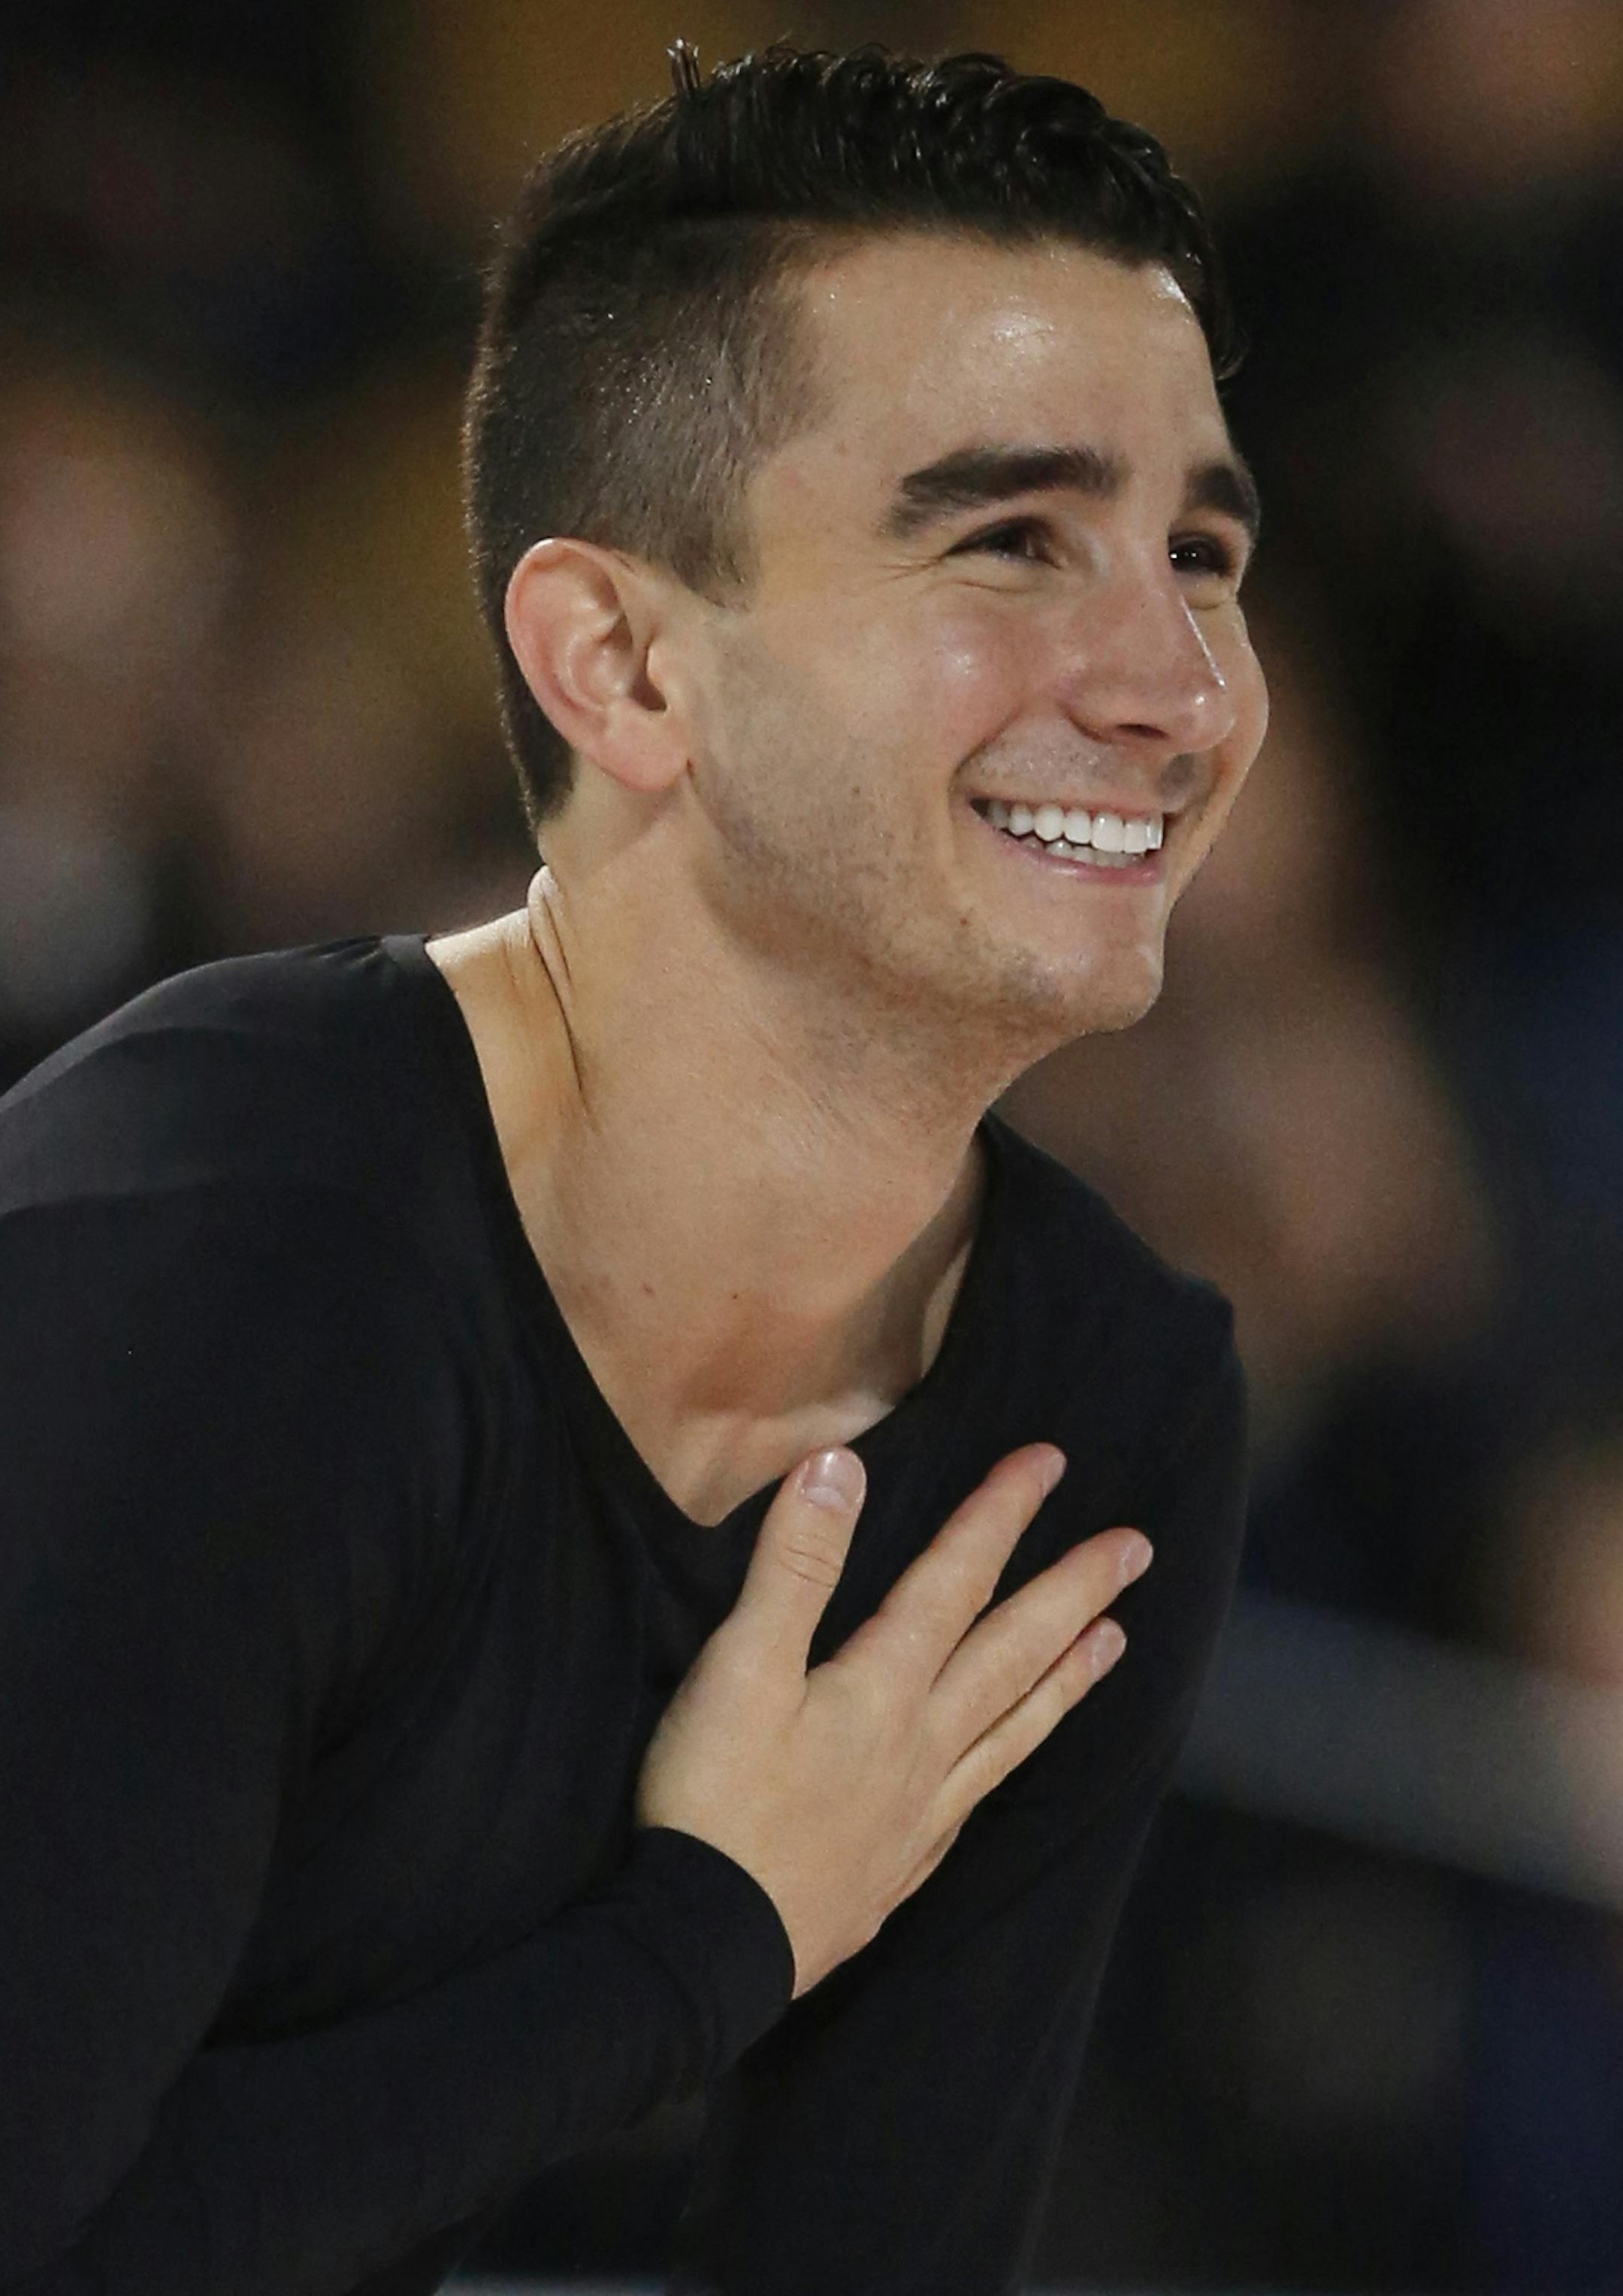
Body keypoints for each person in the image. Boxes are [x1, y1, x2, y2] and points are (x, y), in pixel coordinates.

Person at [0, 41, 1268, 2296]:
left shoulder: (1101, 1396)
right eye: (1010, 540)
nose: (1175, 677)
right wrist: (705, 1941)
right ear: (621, 666)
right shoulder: (221, 1264)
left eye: (1199, 550)